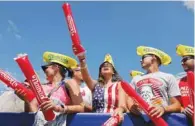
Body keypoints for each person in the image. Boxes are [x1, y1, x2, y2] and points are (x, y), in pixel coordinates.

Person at [15, 52, 85, 126]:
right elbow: (32, 115)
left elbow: (81, 108)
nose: (44, 71)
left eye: (45, 67)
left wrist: (59, 108)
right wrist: (26, 100)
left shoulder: (69, 83)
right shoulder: (41, 87)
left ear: (55, 67)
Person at [130, 46, 181, 118]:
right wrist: (132, 107)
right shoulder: (136, 79)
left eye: (143, 57)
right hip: (140, 121)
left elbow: (177, 105)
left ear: (153, 57)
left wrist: (163, 109)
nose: (140, 60)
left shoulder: (169, 77)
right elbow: (129, 99)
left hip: (161, 120)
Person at [76, 53, 128, 121]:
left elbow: (122, 105)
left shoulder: (120, 84)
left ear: (113, 71)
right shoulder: (96, 85)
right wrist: (82, 61)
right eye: (103, 66)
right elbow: (86, 77)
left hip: (113, 120)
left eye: (109, 65)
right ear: (100, 72)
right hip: (95, 121)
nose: (105, 65)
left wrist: (120, 109)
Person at [176, 44, 194, 118]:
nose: (182, 63)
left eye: (185, 59)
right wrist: (183, 110)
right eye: (181, 60)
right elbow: (175, 104)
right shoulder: (178, 82)